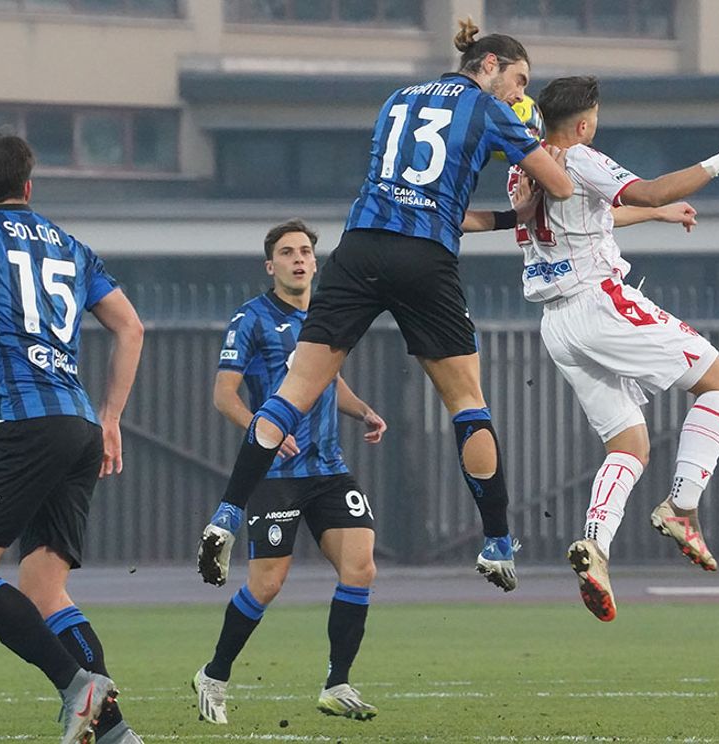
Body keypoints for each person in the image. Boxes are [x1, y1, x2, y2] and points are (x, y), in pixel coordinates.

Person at [197, 17, 573, 593]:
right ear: (490, 65)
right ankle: (497, 541)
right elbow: (562, 186)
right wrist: (534, 151)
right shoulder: (491, 109)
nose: (521, 94)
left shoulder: (397, 99)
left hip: (361, 247)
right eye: (519, 79)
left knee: (293, 391)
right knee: (466, 400)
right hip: (425, 257)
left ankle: (227, 511)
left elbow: (421, 194)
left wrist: (503, 218)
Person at [505, 76, 719, 621]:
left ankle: (596, 547)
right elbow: (648, 189)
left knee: (628, 444)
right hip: (601, 304)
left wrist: (654, 217)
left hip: (557, 323)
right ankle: (681, 508)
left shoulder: (525, 165)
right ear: (583, 123)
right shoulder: (578, 157)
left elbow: (593, 216)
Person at [0, 132, 145, 742]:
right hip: (79, 424)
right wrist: (109, 418)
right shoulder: (73, 247)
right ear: (29, 187)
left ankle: (77, 688)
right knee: (45, 588)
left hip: (26, 425)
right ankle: (114, 733)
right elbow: (131, 328)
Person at [191, 220, 388, 724]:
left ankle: (337, 683)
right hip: (277, 475)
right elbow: (223, 394)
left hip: (329, 469)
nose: (299, 259)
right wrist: (265, 428)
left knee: (361, 566)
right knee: (268, 584)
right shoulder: (251, 319)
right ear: (271, 266)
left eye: (305, 251)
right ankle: (214, 673)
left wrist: (362, 409)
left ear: (315, 263)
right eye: (287, 252)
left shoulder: (328, 316)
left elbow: (329, 379)